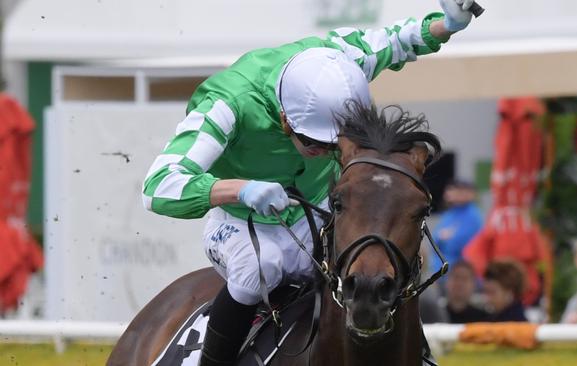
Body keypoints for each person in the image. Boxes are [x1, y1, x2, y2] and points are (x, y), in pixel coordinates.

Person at [141, 1, 478, 365]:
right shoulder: (226, 103)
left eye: (336, 145)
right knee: (260, 269)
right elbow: (159, 186)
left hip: (318, 207)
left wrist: (447, 24)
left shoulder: (339, 63)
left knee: (376, 259)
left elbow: (397, 40)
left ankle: (417, 354)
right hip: (241, 221)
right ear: (285, 120)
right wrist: (241, 189)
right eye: (315, 144)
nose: (326, 153)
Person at [430, 180, 483, 277]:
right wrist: (442, 238)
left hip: (460, 272)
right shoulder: (450, 213)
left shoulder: (473, 215)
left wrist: (445, 238)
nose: (456, 193)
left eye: (461, 190)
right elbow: (434, 240)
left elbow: (459, 245)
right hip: (440, 272)